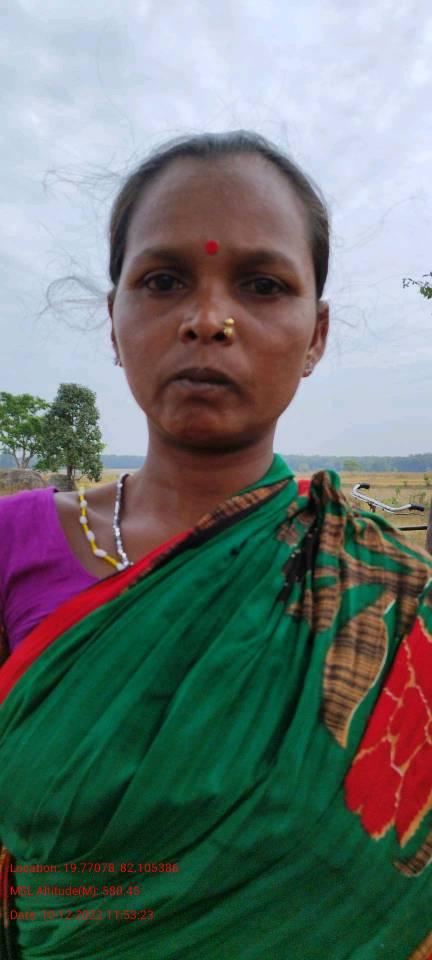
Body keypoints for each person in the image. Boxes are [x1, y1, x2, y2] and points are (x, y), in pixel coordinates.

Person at [0, 130, 431, 960]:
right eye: (163, 281)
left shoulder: (392, 592)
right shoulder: (15, 544)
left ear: (316, 334)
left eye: (263, 285)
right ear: (114, 320)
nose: (207, 321)